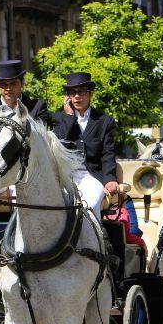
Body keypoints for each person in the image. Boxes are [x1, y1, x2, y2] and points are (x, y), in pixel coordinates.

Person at [51, 72, 119, 219]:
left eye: (81, 92)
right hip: (64, 177)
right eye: (72, 92)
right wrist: (69, 117)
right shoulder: (57, 119)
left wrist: (110, 179)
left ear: (90, 94)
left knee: (89, 206)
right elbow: (57, 144)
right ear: (67, 97)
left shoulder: (104, 121)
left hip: (91, 177)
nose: (77, 96)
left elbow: (108, 153)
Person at [0, 59, 51, 149]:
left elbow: (42, 141)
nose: (8, 88)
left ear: (22, 83)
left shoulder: (38, 107)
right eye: (4, 84)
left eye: (13, 84)